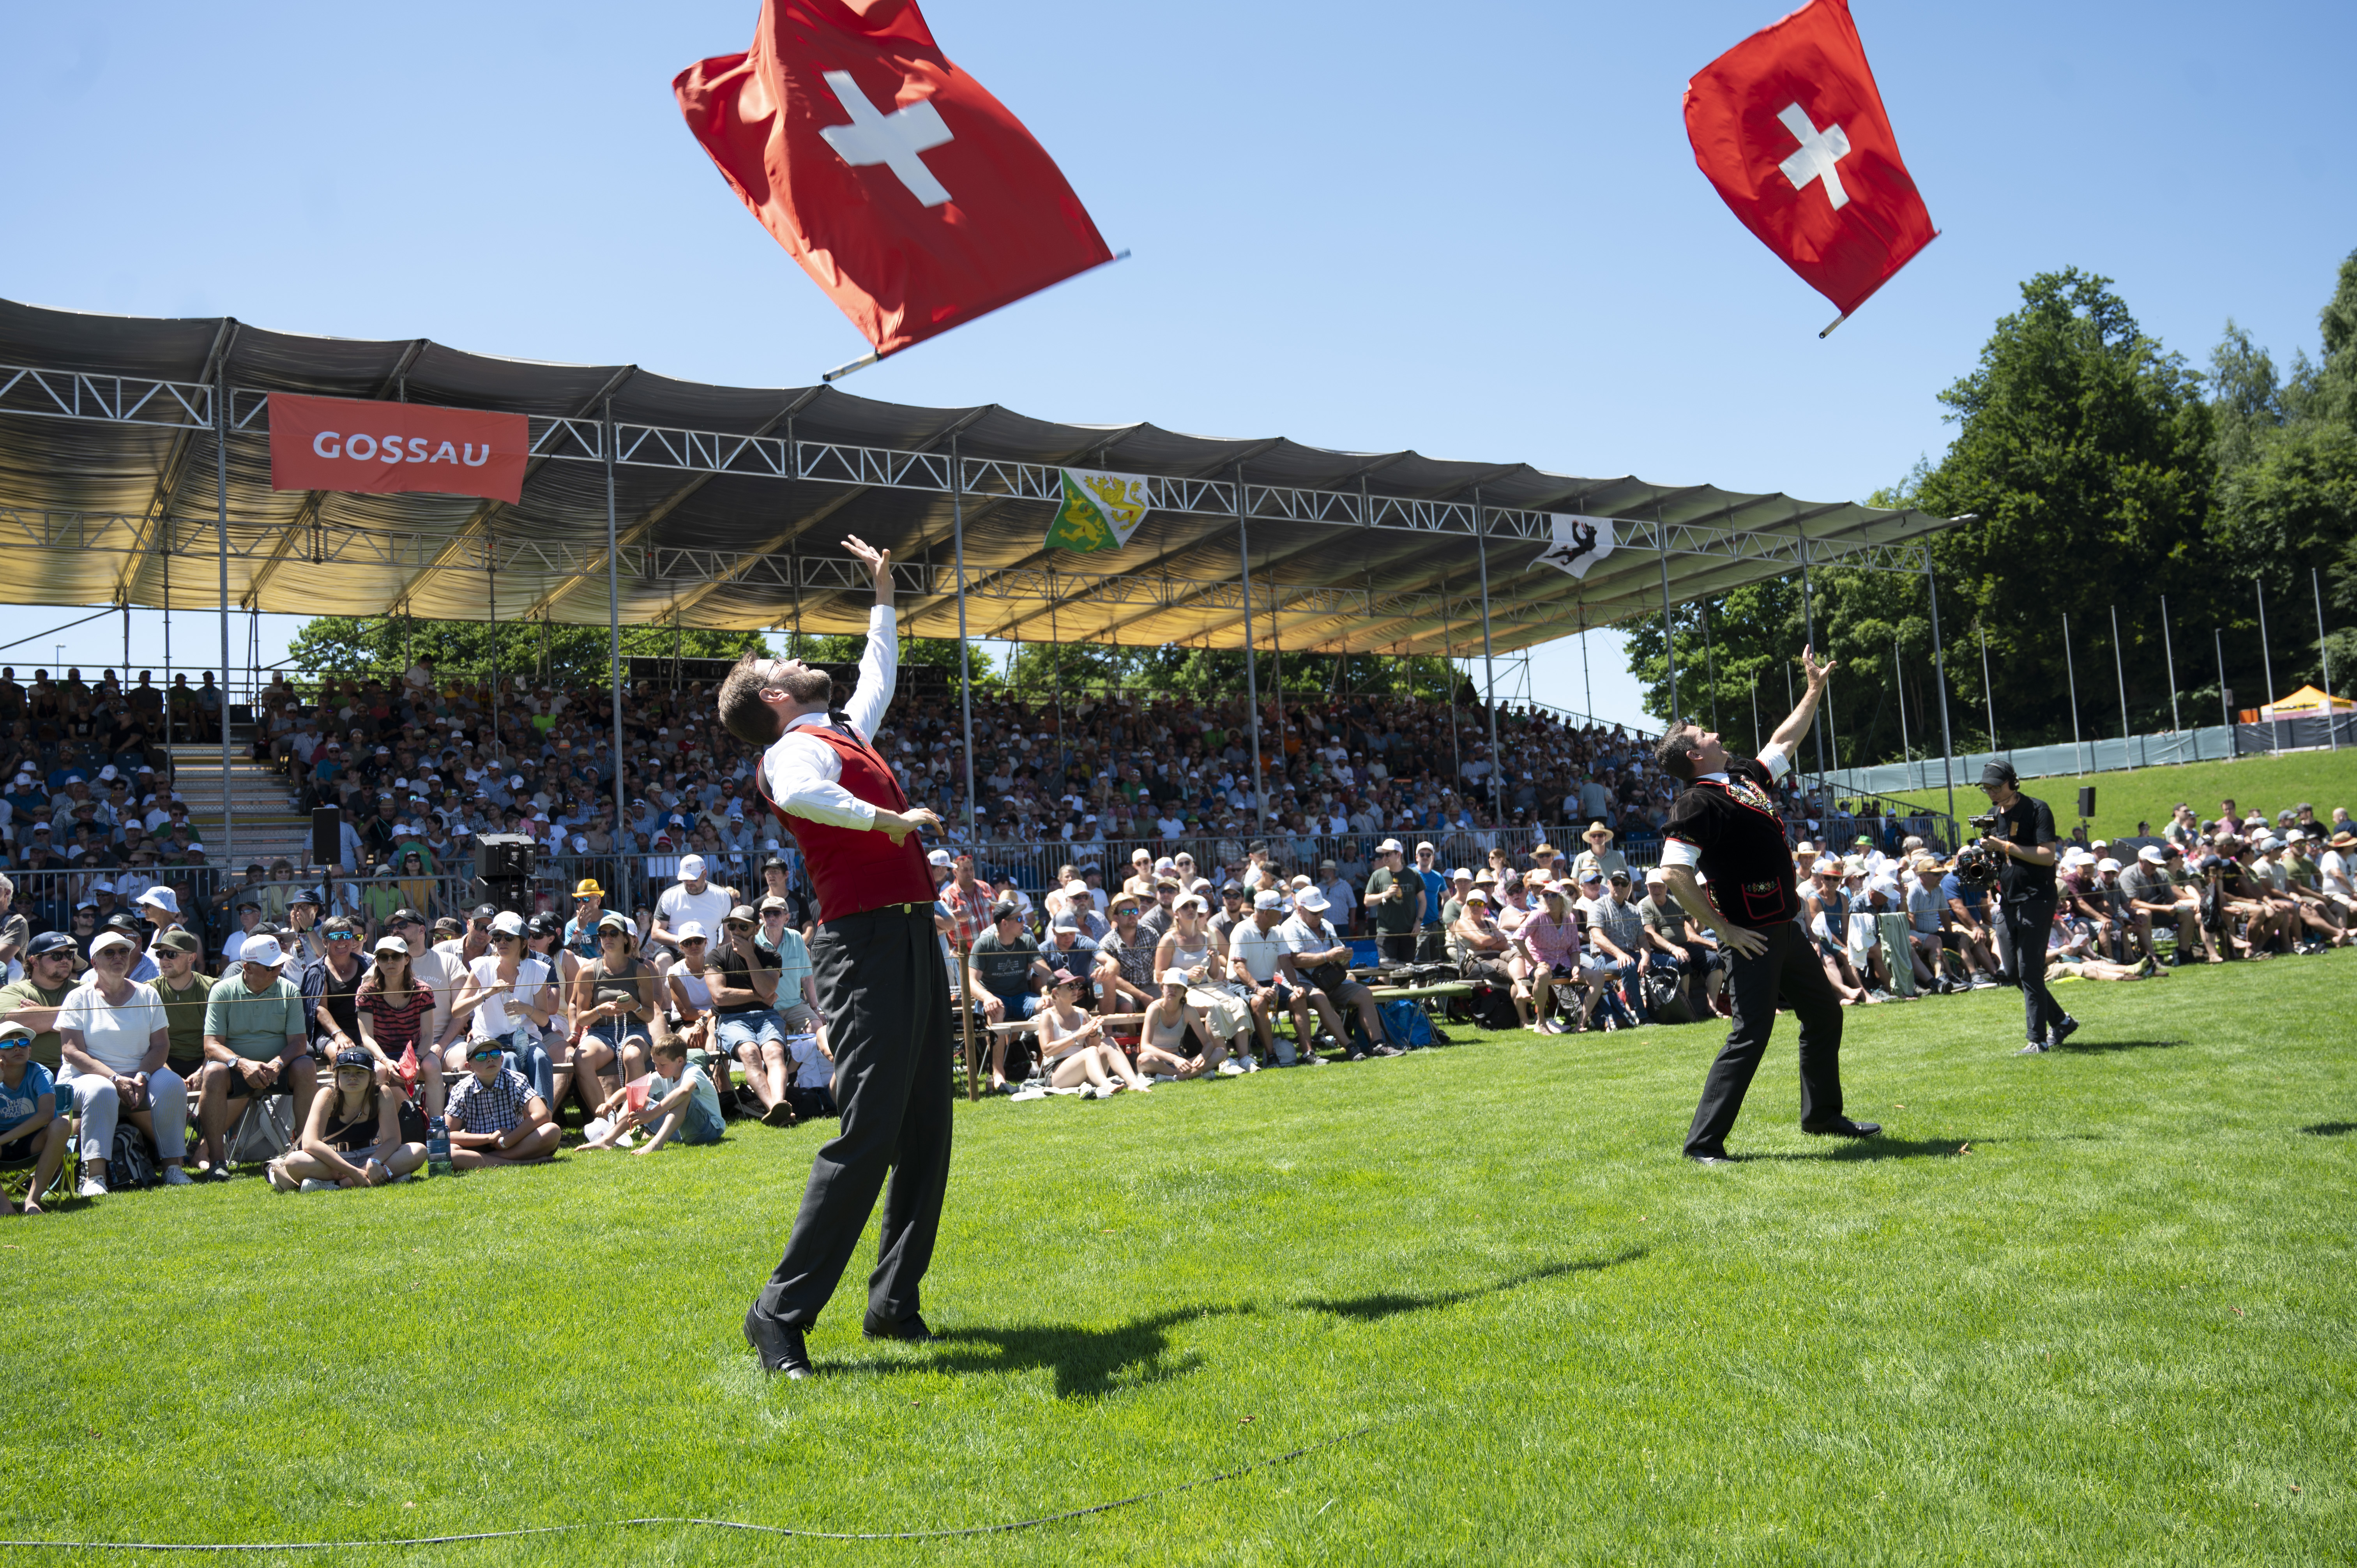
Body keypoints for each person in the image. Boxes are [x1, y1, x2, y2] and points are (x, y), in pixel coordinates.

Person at [719, 534, 948, 1379]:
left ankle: (893, 1301)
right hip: (863, 945)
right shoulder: (791, 751)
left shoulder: (841, 728)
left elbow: (876, 673)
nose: (798, 658)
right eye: (781, 662)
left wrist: (883, 594)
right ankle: (777, 1313)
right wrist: (886, 820)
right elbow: (803, 794)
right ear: (775, 697)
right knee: (871, 1132)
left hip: (908, 934)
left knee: (925, 1128)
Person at [1654, 648, 1878, 1164]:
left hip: (1783, 928)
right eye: (1704, 734)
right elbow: (1673, 873)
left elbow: (1783, 741)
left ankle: (1822, 1116)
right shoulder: (1697, 802)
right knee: (1751, 1034)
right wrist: (1723, 930)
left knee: (1824, 1014)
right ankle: (1703, 1144)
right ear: (1694, 756)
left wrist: (1814, 689)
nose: (1715, 733)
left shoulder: (1740, 776)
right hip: (1750, 937)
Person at [57, 929, 189, 1193]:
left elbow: (161, 1045)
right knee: (102, 1090)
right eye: (109, 953)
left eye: (123, 952)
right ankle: (95, 1177)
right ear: (94, 962)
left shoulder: (148, 994)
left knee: (172, 1084)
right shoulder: (78, 997)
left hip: (140, 1074)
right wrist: (114, 1078)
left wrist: (143, 1076)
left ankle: (173, 1168)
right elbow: (71, 1051)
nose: (118, 957)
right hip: (85, 1077)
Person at [1977, 760, 2076, 1053]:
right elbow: (1999, 858)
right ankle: (2062, 1022)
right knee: (2013, 971)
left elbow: (2047, 856)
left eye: (1996, 787)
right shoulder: (1992, 815)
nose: (1992, 793)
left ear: (2013, 783)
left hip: (2037, 897)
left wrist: (2003, 846)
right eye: (1987, 788)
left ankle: (2037, 1040)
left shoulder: (2037, 809)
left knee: (2030, 970)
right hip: (2008, 899)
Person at [195, 936, 317, 1172]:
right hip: (235, 1072)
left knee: (306, 1066)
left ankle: (307, 1154)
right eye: (271, 967)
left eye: (280, 964)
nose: (278, 970)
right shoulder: (222, 991)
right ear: (248, 968)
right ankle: (217, 1162)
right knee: (213, 1073)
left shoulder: (290, 990)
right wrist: (242, 1064)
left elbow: (299, 1043)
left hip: (278, 1070)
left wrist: (279, 1063)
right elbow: (211, 1045)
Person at [265, 1046, 426, 1191]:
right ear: (337, 1076)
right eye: (346, 1072)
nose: (352, 1078)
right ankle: (384, 1176)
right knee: (294, 1162)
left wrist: (374, 1162)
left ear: (371, 1077)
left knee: (419, 1150)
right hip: (336, 1159)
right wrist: (353, 1172)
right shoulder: (327, 1095)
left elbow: (393, 1139)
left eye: (360, 1073)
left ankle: (338, 1185)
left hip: (372, 1153)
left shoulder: (382, 1093)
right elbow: (310, 1143)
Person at [440, 911, 557, 1099]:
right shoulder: (482, 967)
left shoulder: (536, 969)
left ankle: (543, 1113)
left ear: (523, 943)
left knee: (540, 1057)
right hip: (490, 1040)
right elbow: (457, 1011)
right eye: (497, 937)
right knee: (508, 1059)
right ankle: (516, 1114)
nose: (502, 942)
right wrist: (486, 994)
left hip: (526, 1038)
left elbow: (544, 1020)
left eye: (509, 937)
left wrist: (526, 1009)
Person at [1279, 888, 1394, 1059]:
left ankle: (1377, 1045)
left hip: (1331, 981)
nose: (1319, 915)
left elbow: (1340, 956)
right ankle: (1350, 1048)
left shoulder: (1327, 925)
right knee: (1320, 998)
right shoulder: (1289, 927)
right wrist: (1327, 956)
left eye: (1321, 911)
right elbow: (1295, 960)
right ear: (1300, 909)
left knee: (1365, 994)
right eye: (1314, 912)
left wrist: (1345, 956)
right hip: (1301, 982)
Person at [570, 912, 659, 1103]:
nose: (608, 938)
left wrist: (634, 1006)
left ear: (626, 939)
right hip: (600, 1033)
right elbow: (582, 1018)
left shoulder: (641, 970)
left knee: (633, 1056)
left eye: (614, 933)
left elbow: (650, 1016)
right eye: (603, 934)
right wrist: (600, 1011)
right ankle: (603, 1117)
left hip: (635, 1030)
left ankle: (634, 1114)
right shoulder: (588, 971)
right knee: (581, 1059)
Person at [582, 1036, 727, 1153]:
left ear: (680, 1061)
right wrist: (611, 1103)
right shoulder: (664, 1075)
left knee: (683, 1097)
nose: (657, 1069)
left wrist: (651, 1115)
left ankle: (656, 1144)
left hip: (709, 1130)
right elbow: (631, 1090)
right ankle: (607, 1141)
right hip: (680, 1131)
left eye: (662, 1065)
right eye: (655, 1064)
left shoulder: (692, 1071)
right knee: (638, 1095)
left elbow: (684, 1091)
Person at [442, 1038, 561, 1168]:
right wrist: (489, 1138)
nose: (490, 1059)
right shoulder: (462, 1089)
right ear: (469, 1067)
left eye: (495, 1054)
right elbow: (447, 1134)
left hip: (514, 1143)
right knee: (449, 1152)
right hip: (476, 1146)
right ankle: (519, 1162)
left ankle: (482, 1160)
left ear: (502, 1059)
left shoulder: (517, 1080)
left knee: (552, 1131)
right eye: (481, 1056)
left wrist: (506, 1142)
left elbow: (542, 1114)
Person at [356, 934, 440, 1118]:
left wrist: (417, 1060)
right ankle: (381, 1129)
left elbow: (428, 1035)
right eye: (384, 957)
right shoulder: (366, 992)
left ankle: (436, 1125)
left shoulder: (423, 991)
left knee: (433, 1065)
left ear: (407, 959)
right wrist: (385, 1061)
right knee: (378, 1072)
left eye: (396, 956)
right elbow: (367, 1037)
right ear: (377, 962)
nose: (390, 962)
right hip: (381, 1054)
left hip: (415, 1052)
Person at [1034, 969, 1149, 1097]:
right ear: (1056, 992)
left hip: (1083, 1067)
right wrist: (1077, 1036)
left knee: (1109, 1042)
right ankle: (1107, 1085)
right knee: (1089, 1052)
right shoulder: (1047, 1016)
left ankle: (1134, 1083)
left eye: (1077, 986)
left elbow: (1095, 1046)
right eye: (1070, 986)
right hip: (1056, 1073)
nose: (1076, 990)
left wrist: (1093, 1033)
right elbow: (1047, 1050)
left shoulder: (1082, 1013)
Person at [0, 1021, 69, 1213]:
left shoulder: (40, 1073)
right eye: (8, 1044)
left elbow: (46, 1116)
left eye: (23, 1043)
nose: (17, 1048)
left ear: (30, 1051)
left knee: (62, 1125)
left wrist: (4, 1140)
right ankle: (5, 1207)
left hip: (33, 1140)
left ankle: (32, 1201)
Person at [1138, 969, 1223, 1079]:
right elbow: (1145, 1047)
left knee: (1220, 1052)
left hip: (1180, 1062)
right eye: (1170, 986)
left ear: (1184, 992)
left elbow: (1208, 1044)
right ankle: (1187, 1076)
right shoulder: (1154, 1008)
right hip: (1157, 1060)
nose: (1174, 990)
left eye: (1179, 987)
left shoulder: (1189, 1011)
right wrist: (1175, 1059)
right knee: (1144, 1059)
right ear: (1162, 988)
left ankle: (1171, 1078)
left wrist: (1202, 1057)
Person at [653, 853, 735, 959]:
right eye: (685, 880)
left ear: (705, 874)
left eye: (694, 879)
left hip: (709, 956)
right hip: (675, 952)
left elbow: (729, 935)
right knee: (662, 959)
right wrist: (680, 940)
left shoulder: (723, 896)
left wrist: (719, 957)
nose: (689, 883)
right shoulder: (669, 896)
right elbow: (656, 932)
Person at [1363, 839, 1422, 964]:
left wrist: (1418, 922)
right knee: (1387, 967)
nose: (1384, 857)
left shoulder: (1413, 874)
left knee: (1407, 970)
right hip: (1386, 931)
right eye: (1383, 855)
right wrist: (1386, 894)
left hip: (1409, 931)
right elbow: (1367, 901)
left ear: (1399, 854)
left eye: (1388, 854)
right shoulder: (1377, 875)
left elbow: (1423, 900)